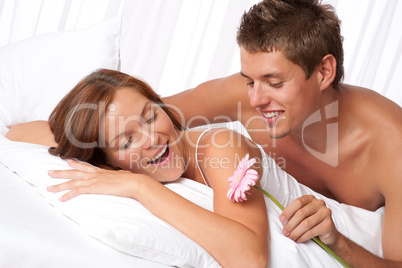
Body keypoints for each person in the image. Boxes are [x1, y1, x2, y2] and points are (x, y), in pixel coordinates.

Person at [162, 0, 402, 266]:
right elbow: (144, 116)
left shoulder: (393, 146)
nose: (255, 100)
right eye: (250, 81)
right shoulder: (243, 96)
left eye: (274, 83)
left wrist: (338, 241)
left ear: (324, 72)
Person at [7, 69, 269, 267]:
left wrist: (139, 186)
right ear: (107, 161)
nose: (152, 138)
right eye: (128, 140)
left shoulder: (220, 147)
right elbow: (16, 132)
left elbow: (250, 260)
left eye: (151, 116)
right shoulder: (107, 156)